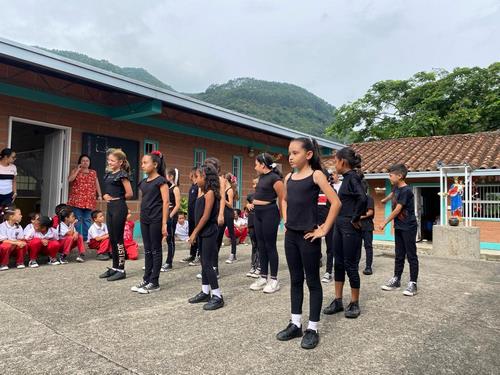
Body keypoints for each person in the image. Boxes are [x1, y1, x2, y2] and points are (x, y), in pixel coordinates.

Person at [277, 137, 341, 350]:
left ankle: (312, 328)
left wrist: (323, 229)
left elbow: (336, 203)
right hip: (291, 237)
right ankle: (295, 324)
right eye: (289, 153)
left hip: (308, 237)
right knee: (295, 280)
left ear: (309, 154)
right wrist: (286, 220)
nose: (290, 157)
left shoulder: (317, 175)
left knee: (312, 281)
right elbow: (284, 200)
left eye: (295, 153)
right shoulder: (288, 178)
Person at [323, 147, 367, 319]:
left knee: (350, 264)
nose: (335, 164)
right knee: (338, 263)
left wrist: (355, 218)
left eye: (335, 161)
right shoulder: (346, 179)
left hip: (349, 226)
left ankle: (354, 302)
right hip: (339, 225)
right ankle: (338, 300)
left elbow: (362, 198)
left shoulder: (352, 178)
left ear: (342, 161)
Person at [131, 151, 169, 294]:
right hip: (145, 219)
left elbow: (166, 202)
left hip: (156, 219)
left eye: (145, 163)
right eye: (142, 163)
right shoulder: (143, 183)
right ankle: (146, 279)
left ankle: (155, 281)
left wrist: (164, 223)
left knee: (155, 249)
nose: (142, 165)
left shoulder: (161, 181)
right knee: (147, 250)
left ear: (155, 164)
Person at [188, 164, 224, 310]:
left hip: (209, 231)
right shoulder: (201, 191)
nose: (195, 180)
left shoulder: (210, 193)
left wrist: (194, 232)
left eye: (198, 177)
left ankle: (217, 295)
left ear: (206, 177)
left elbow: (206, 216)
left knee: (208, 263)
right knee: (203, 262)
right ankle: (205, 291)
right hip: (202, 231)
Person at [379, 164, 419, 296]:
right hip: (400, 226)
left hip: (409, 225)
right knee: (399, 254)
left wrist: (384, 222)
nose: (389, 177)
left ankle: (413, 283)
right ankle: (396, 279)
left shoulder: (407, 191)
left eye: (391, 175)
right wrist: (385, 199)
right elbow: (393, 193)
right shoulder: (396, 187)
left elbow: (397, 210)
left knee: (411, 255)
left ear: (400, 176)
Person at [249, 153, 284, 294]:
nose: (255, 166)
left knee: (270, 245)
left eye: (256, 163)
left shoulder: (275, 178)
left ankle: (274, 279)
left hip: (270, 212)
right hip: (258, 213)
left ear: (263, 164)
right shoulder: (261, 177)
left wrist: (282, 217)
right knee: (261, 245)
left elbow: (282, 199)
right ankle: (263, 277)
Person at [99, 148, 133, 282]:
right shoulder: (108, 174)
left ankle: (121, 269)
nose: (110, 162)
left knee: (118, 238)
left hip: (119, 207)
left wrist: (116, 198)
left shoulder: (123, 174)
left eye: (112, 160)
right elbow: (107, 191)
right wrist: (105, 196)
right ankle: (114, 268)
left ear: (120, 162)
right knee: (112, 238)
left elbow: (129, 193)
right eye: (109, 160)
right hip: (110, 208)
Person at [67, 154, 102, 241]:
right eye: (83, 161)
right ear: (80, 162)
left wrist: (100, 195)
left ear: (89, 163)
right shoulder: (75, 170)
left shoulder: (93, 172)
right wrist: (78, 170)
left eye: (87, 161)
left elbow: (96, 183)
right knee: (77, 219)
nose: (85, 162)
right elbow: (70, 180)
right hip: (77, 199)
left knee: (87, 220)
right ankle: (79, 238)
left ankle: (86, 238)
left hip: (89, 200)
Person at [319, 172, 337, 284]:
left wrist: (326, 223)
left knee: (330, 248)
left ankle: (328, 272)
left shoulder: (331, 190)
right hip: (315, 223)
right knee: (313, 248)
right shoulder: (314, 190)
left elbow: (335, 208)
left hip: (329, 223)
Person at [161, 168, 181, 271]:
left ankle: (169, 262)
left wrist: (170, 215)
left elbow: (178, 205)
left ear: (171, 176)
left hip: (171, 216)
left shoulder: (175, 188)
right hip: (166, 214)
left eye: (167, 175)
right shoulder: (168, 188)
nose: (165, 176)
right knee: (167, 238)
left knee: (170, 239)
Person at [181, 167, 199, 264]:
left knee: (197, 235)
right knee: (191, 234)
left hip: (196, 216)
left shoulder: (198, 187)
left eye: (189, 173)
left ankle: (198, 255)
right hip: (191, 216)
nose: (188, 175)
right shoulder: (192, 187)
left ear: (193, 174)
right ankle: (192, 254)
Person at [220, 173, 238, 264]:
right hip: (222, 213)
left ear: (226, 180)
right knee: (219, 234)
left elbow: (230, 204)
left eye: (222, 179)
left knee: (231, 234)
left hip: (228, 214)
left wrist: (223, 198)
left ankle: (233, 254)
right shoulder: (223, 190)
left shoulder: (229, 190)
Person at [245, 178, 260, 278]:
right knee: (254, 245)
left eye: (256, 184)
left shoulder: (265, 195)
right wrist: (247, 205)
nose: (254, 186)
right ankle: (253, 265)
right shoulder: (250, 196)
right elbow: (246, 208)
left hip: (260, 222)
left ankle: (260, 266)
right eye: (253, 184)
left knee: (260, 245)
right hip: (251, 222)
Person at [360, 180, 375, 275]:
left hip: (367, 226)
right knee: (356, 248)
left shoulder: (369, 198)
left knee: (368, 246)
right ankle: (354, 264)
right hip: (357, 226)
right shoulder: (356, 199)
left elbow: (370, 212)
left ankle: (368, 267)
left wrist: (359, 216)